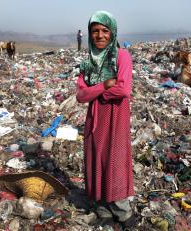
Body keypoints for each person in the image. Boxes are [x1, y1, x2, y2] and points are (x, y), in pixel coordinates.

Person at [76, 11, 136, 228]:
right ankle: (103, 210)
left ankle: (122, 211)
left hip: (116, 117)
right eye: (95, 31)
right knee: (96, 159)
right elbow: (80, 96)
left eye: (104, 31)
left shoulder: (122, 56)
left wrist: (95, 92)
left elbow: (124, 89)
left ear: (112, 33)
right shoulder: (88, 63)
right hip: (95, 119)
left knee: (115, 160)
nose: (99, 35)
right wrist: (104, 85)